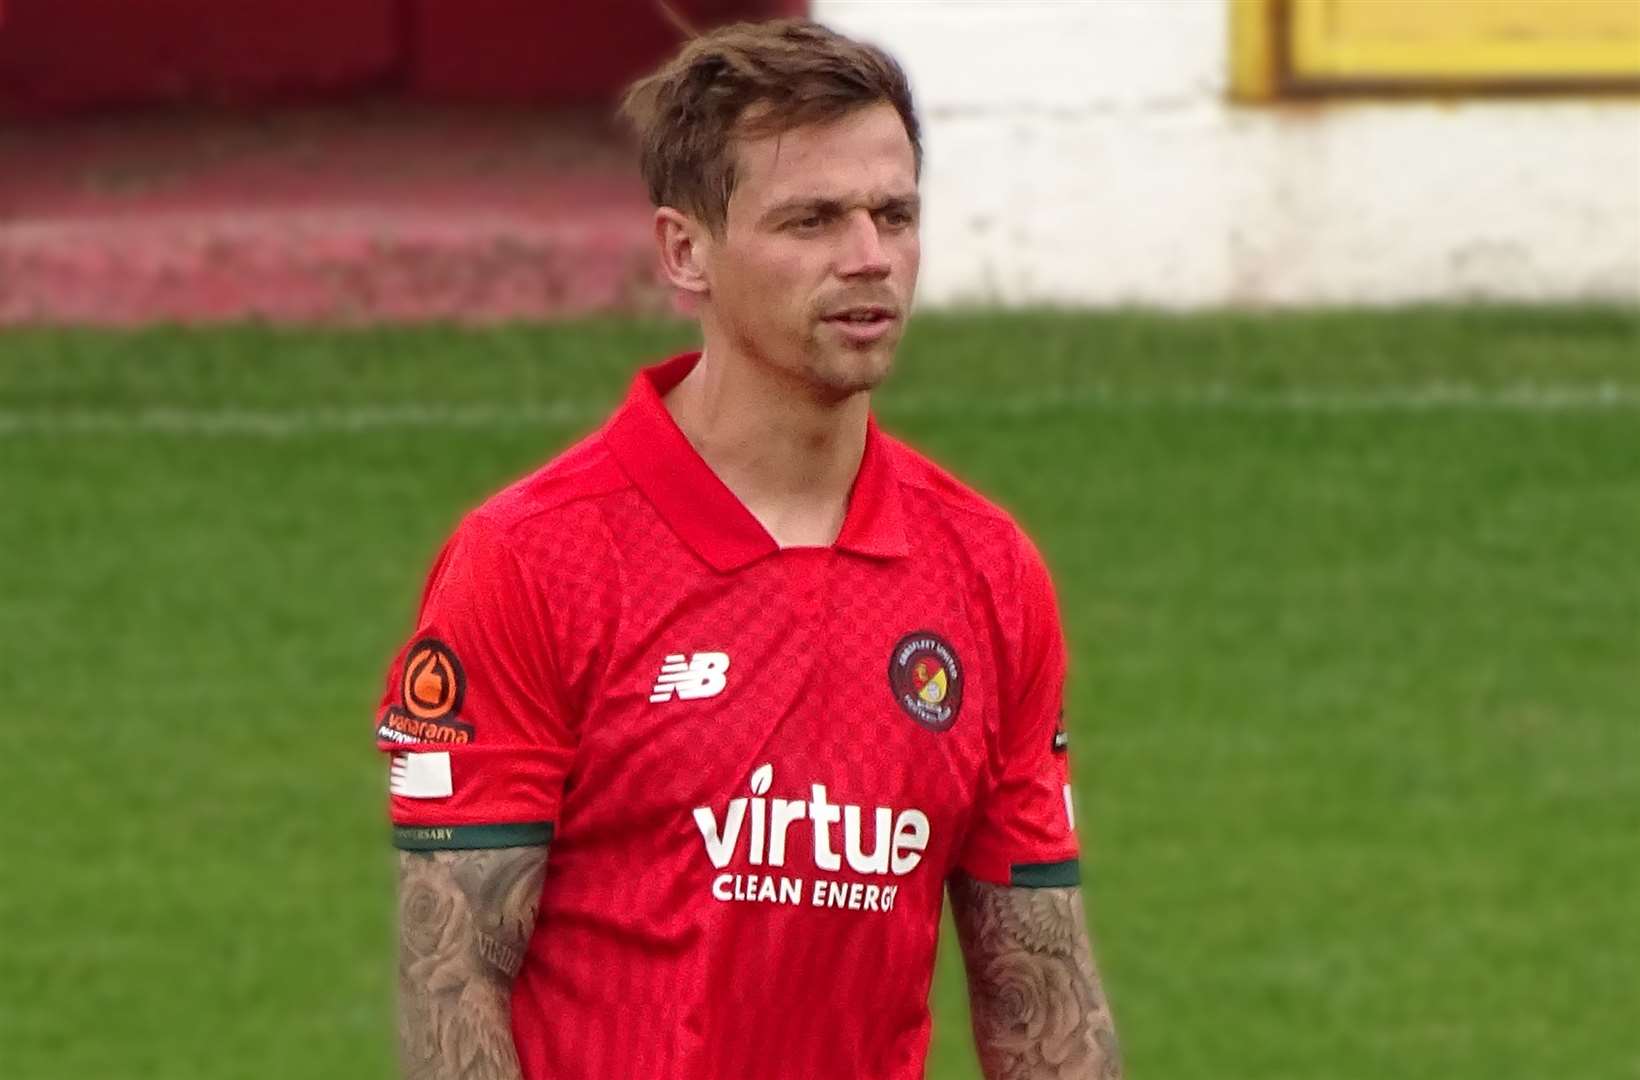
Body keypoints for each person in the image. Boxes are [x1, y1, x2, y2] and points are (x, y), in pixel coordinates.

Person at [379, 17, 1121, 1080]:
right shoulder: (534, 560)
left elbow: (1038, 993)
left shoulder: (986, 571)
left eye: (893, 214)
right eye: (810, 221)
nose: (867, 258)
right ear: (686, 251)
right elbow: (451, 986)